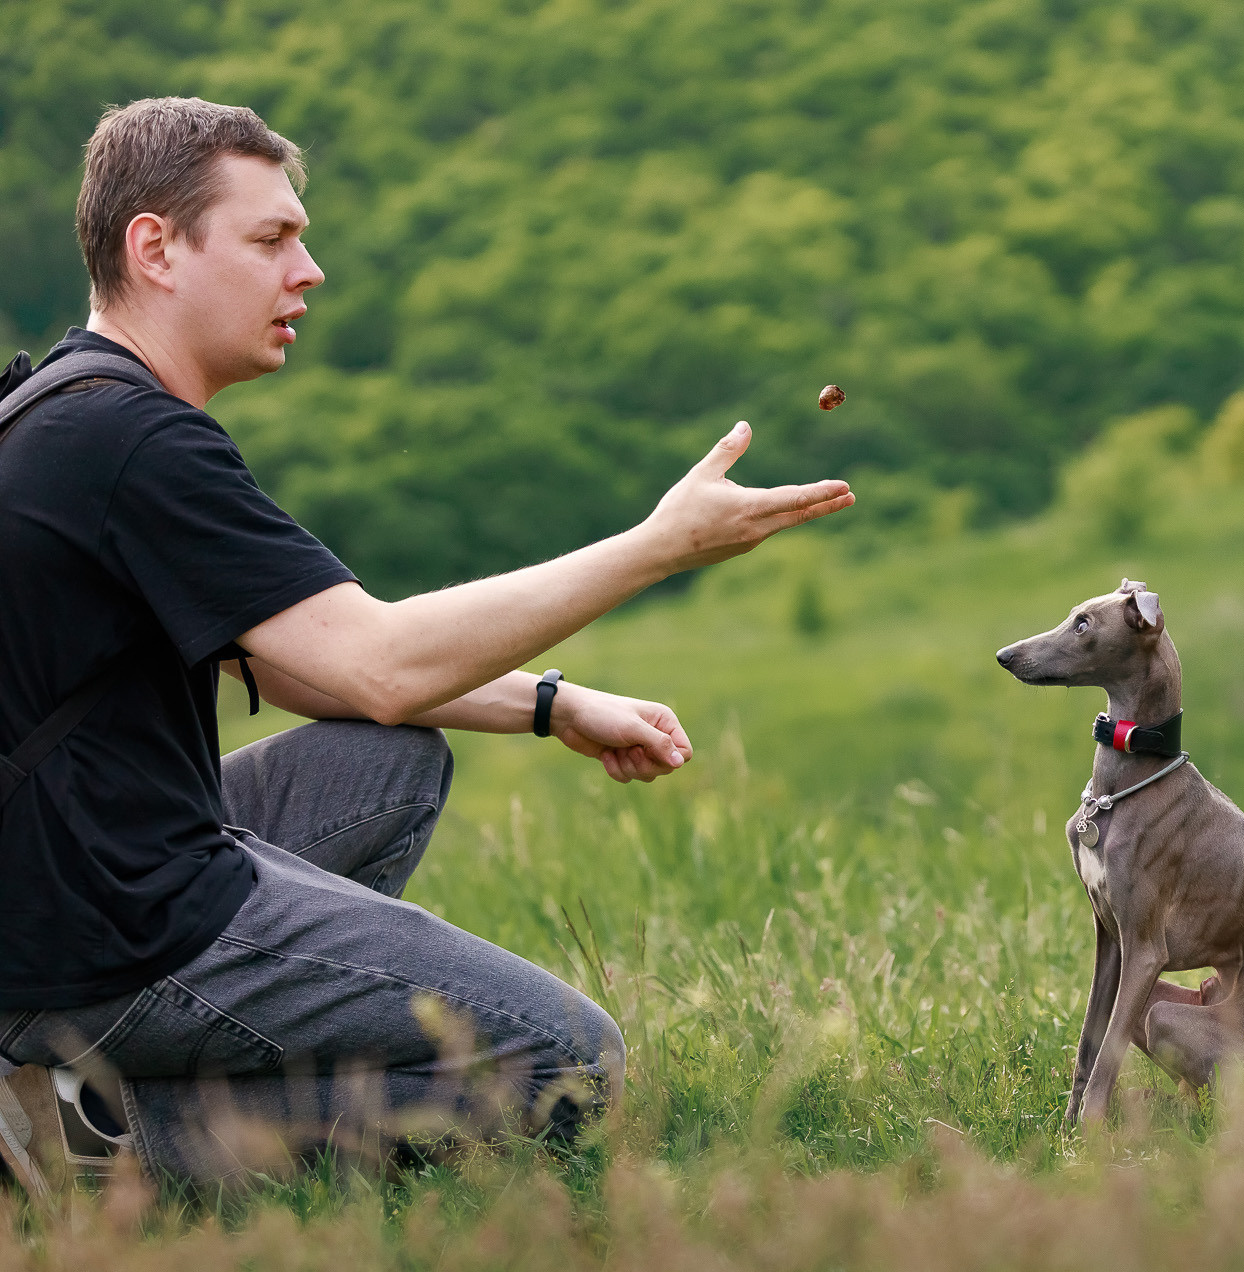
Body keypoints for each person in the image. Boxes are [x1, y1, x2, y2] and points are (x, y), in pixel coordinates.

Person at [0, 97, 852, 1192]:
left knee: (387, 762)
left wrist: (549, 703)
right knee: (566, 1061)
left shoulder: (61, 408)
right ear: (155, 248)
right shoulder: (132, 442)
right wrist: (657, 548)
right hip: (100, 931)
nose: (307, 271)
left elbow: (305, 663)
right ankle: (100, 1142)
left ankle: (103, 1081)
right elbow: (380, 661)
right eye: (271, 239)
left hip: (57, 881)